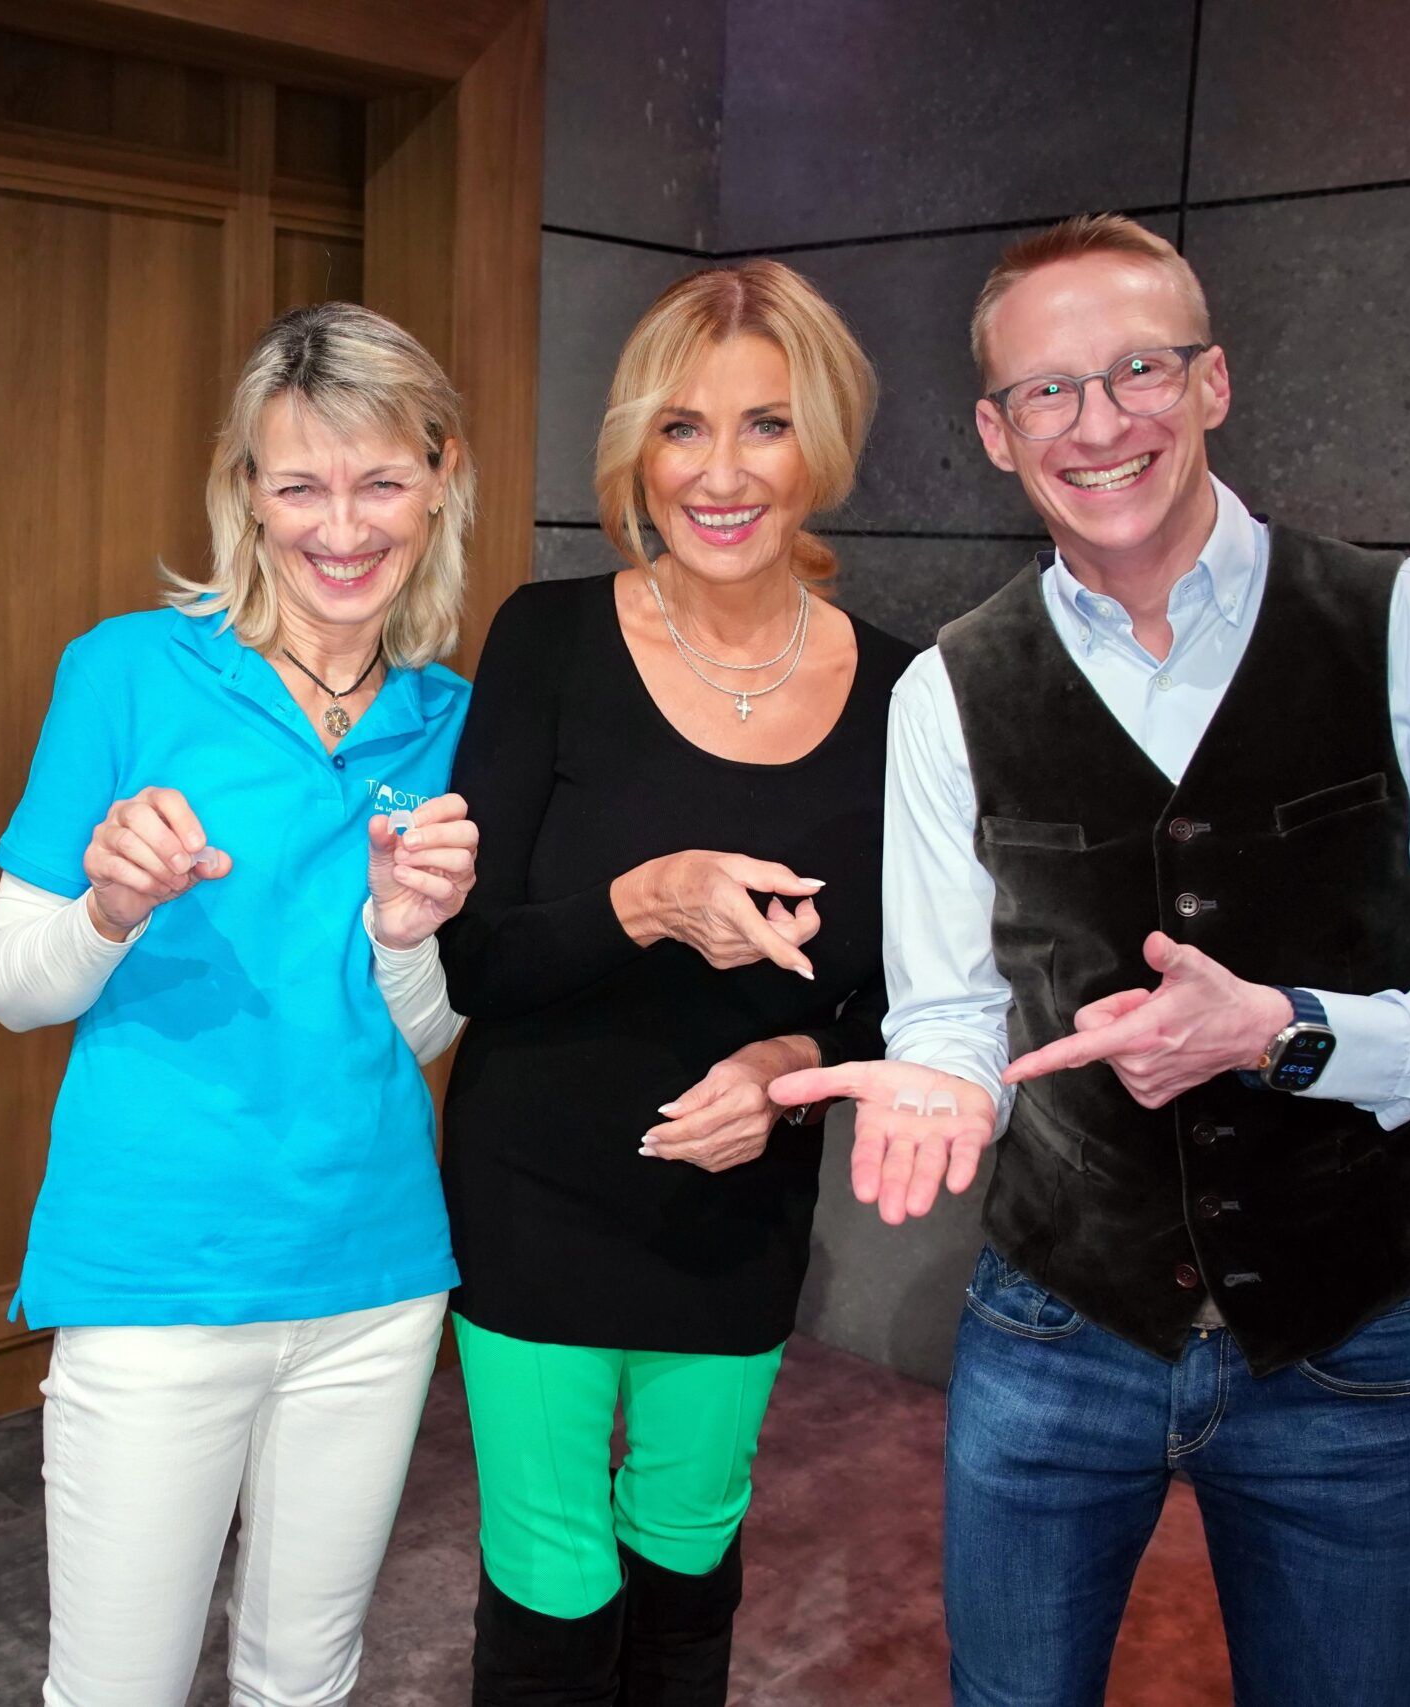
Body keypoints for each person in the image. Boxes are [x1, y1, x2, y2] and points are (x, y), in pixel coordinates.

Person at [769, 214, 1410, 1707]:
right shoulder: (948, 692)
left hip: (1349, 1346)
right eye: (1047, 390)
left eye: (1138, 368)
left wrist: (1288, 1030)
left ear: (1212, 382)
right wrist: (941, 1084)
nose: (1099, 424)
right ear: (993, 427)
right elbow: (958, 1005)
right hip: (1055, 1328)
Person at [0, 302, 484, 1706]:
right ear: (244, 491)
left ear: (439, 477)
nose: (341, 525)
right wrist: (108, 911)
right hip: (157, 1273)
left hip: (376, 1276)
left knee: (306, 1682)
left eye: (381, 479)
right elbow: (10, 985)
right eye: (300, 482)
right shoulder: (129, 670)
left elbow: (434, 1029)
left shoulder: (456, 715)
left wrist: (402, 934)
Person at [437, 259, 907, 1702]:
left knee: (691, 1554)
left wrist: (780, 1075)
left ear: (821, 444)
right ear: (635, 447)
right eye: (681, 428)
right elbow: (474, 962)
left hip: (737, 1216)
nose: (720, 472)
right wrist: (645, 901)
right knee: (552, 1574)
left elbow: (893, 1005)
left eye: (764, 426)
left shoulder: (906, 690)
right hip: (535, 1198)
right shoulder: (550, 637)